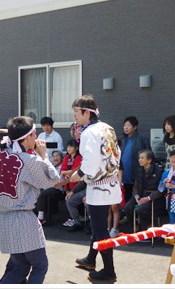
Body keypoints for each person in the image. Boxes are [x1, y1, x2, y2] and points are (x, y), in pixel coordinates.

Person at [0, 116, 60, 284]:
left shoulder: (1, 154)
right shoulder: (29, 160)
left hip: (4, 218)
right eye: (35, 134)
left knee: (20, 267)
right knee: (40, 265)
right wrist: (44, 155)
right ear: (27, 137)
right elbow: (52, 180)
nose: (37, 138)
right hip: (23, 220)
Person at [69, 94, 121, 282]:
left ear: (86, 113)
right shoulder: (108, 127)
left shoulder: (88, 133)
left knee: (100, 229)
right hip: (112, 184)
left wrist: (78, 176)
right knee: (97, 225)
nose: (75, 115)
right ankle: (91, 259)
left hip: (98, 188)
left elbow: (90, 163)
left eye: (76, 112)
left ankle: (109, 271)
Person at [123, 150, 165, 232]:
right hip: (140, 195)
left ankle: (145, 229)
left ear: (149, 160)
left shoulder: (159, 171)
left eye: (142, 158)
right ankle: (135, 226)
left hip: (153, 198)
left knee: (141, 209)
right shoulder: (139, 170)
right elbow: (135, 186)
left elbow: (161, 190)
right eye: (139, 158)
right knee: (127, 207)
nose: (140, 160)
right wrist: (136, 196)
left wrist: (149, 198)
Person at [120, 116, 150, 206]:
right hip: (123, 173)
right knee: (125, 193)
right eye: (125, 125)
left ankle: (134, 216)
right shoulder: (122, 139)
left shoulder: (141, 139)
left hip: (136, 172)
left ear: (135, 127)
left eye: (128, 125)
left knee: (135, 194)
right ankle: (125, 214)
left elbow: (148, 153)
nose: (126, 127)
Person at [36, 150, 65, 224]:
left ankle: (41, 217)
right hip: (49, 186)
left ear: (61, 158)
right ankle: (35, 215)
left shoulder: (63, 167)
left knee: (43, 194)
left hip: (58, 189)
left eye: (57, 156)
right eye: (54, 156)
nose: (55, 158)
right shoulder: (52, 166)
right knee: (36, 190)